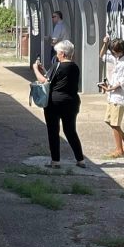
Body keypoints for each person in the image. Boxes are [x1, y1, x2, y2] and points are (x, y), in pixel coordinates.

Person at [32, 39, 85, 168]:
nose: (56, 55)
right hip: (71, 102)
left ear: (62, 53)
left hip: (54, 103)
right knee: (70, 130)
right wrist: (45, 70)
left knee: (53, 131)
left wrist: (35, 69)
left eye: (57, 53)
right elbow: (58, 78)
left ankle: (55, 161)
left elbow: (45, 81)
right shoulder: (75, 67)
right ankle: (80, 159)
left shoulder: (57, 66)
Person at [100, 39, 124, 157]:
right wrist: (105, 43)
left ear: (121, 51)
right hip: (113, 96)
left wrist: (111, 88)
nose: (113, 54)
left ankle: (119, 150)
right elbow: (102, 56)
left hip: (119, 97)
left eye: (115, 52)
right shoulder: (117, 60)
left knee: (115, 123)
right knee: (109, 120)